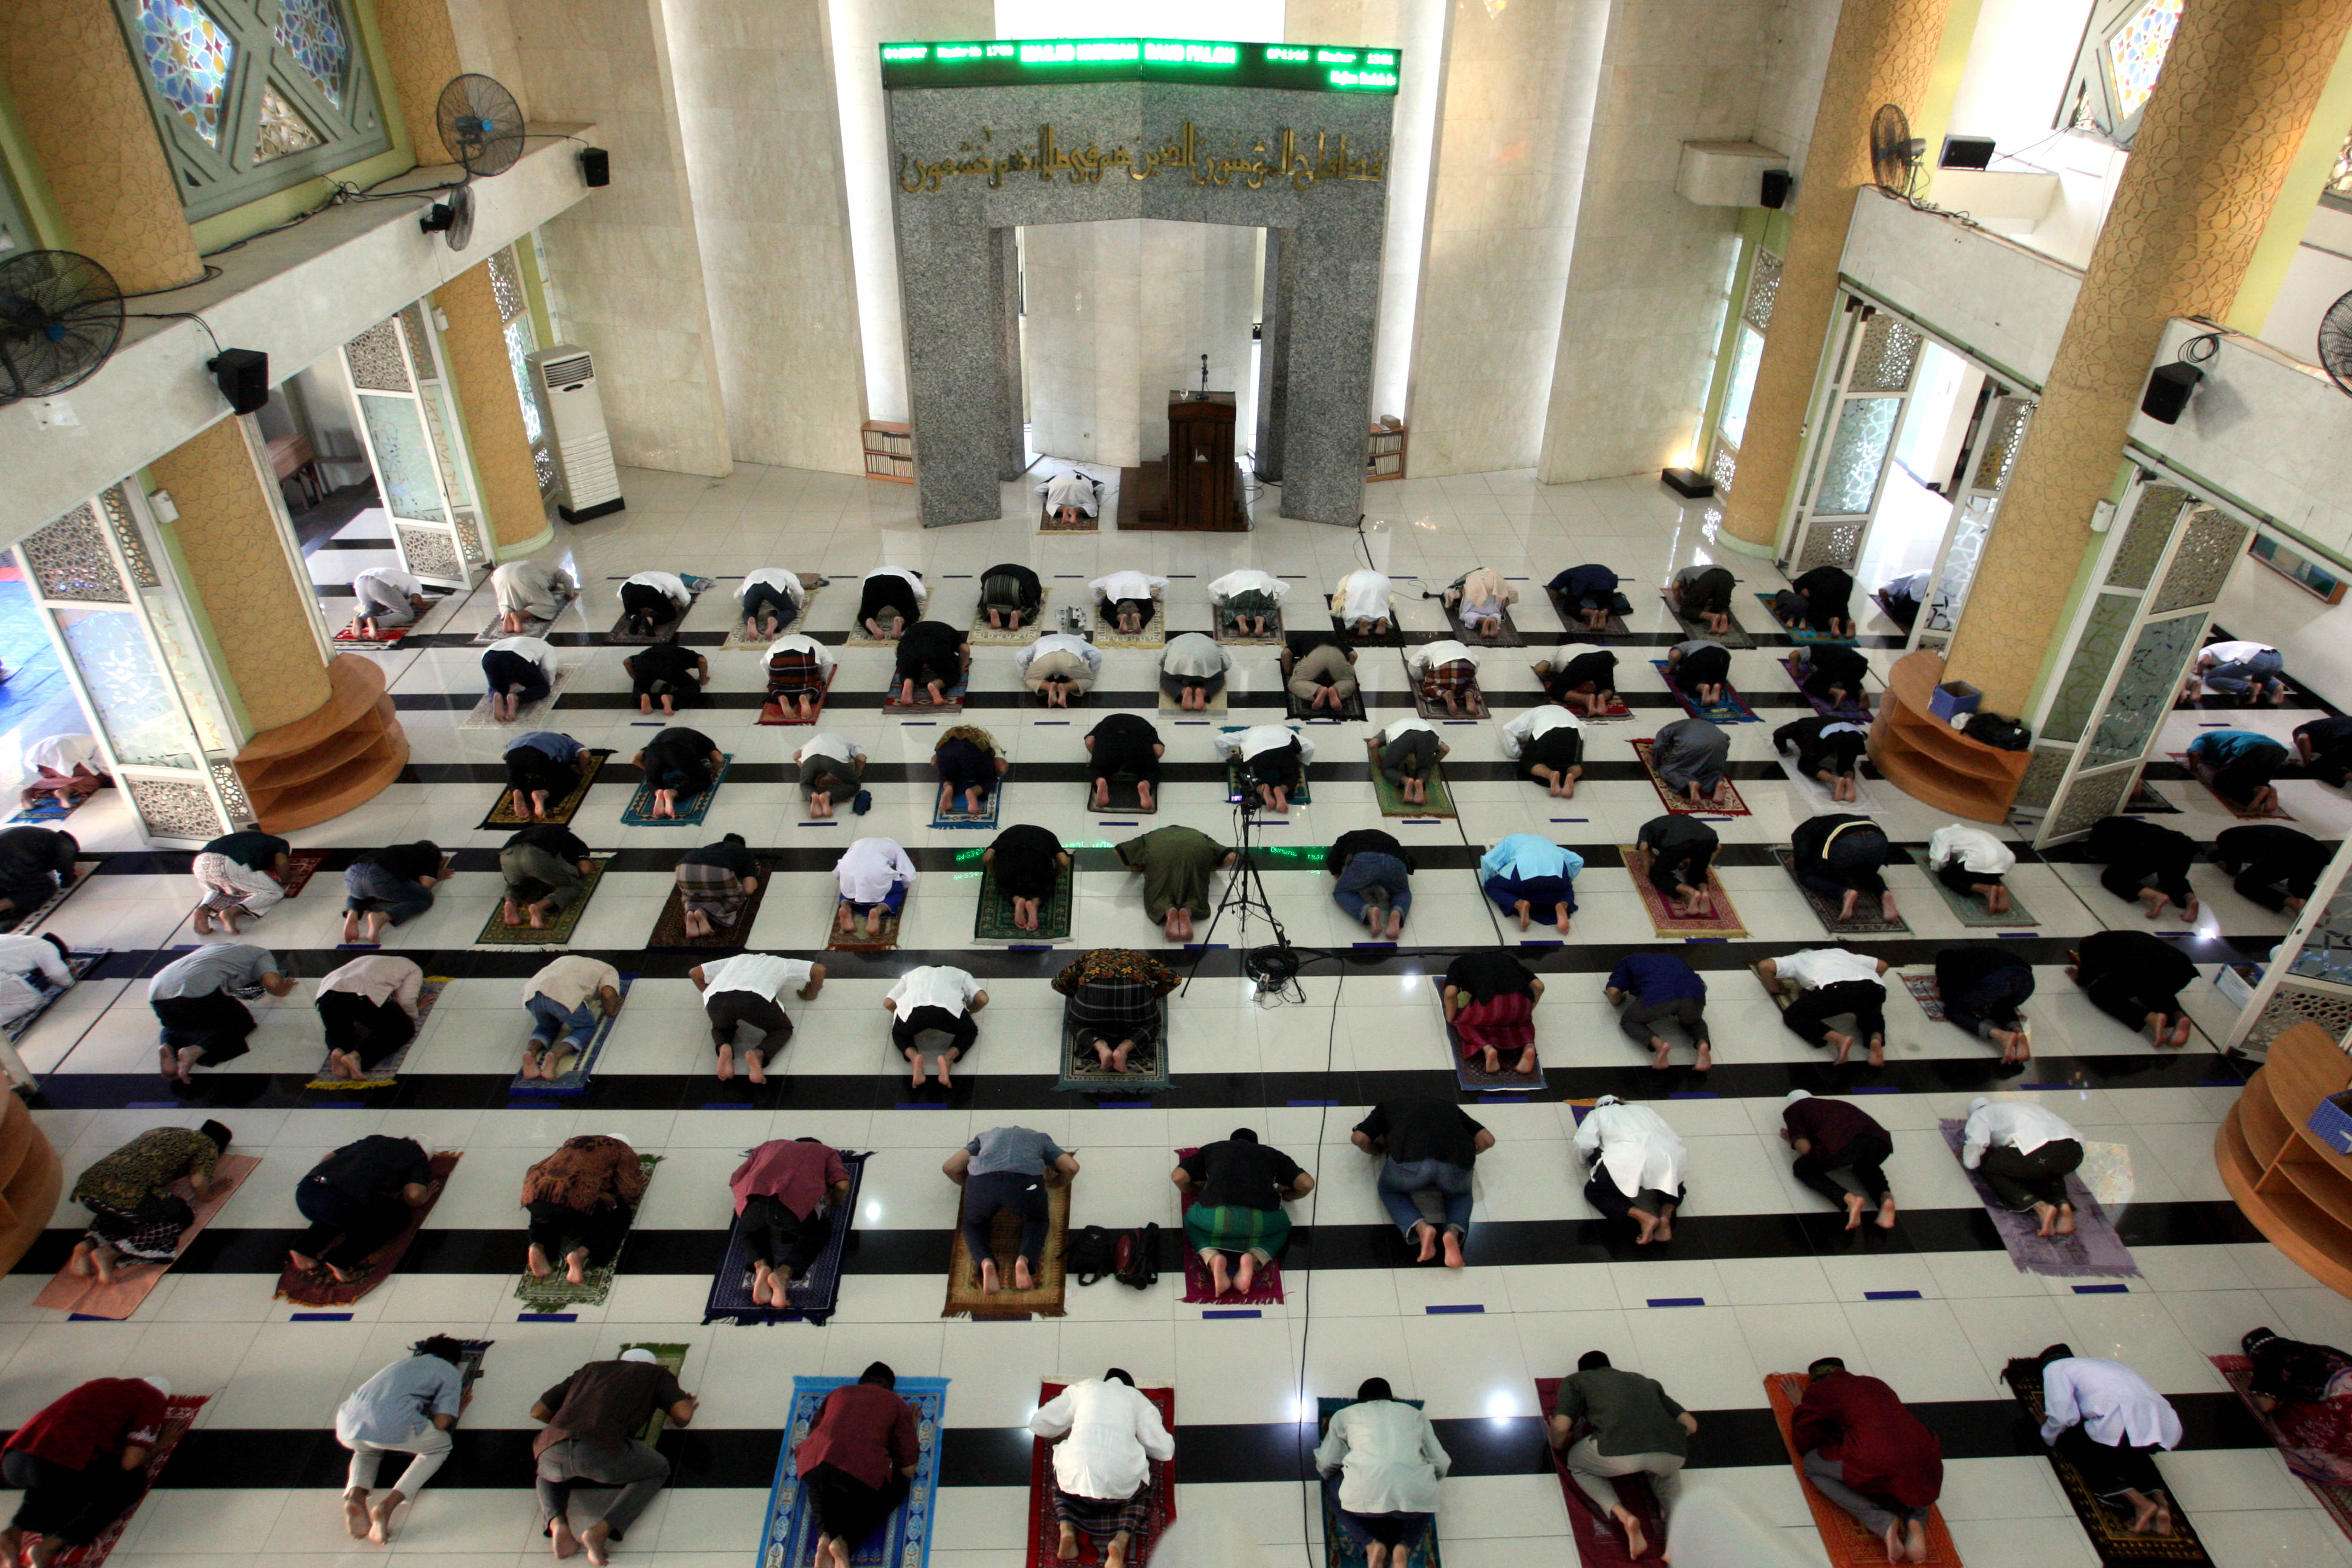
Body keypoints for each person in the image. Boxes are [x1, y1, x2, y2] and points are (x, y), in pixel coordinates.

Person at [531, 1347, 696, 1565]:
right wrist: (675, 1410)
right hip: (600, 1450)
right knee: (658, 1469)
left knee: (547, 1474)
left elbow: (538, 1412)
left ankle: (557, 1524)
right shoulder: (654, 1373)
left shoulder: (590, 1369)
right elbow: (683, 1415)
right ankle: (600, 1531)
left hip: (550, 1448)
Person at [0, 1374, 170, 1567]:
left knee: (50, 1479)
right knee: (131, 1482)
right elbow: (131, 1462)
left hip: (14, 1461)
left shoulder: (101, 1384)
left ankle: (13, 1532)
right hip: (51, 1468)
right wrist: (162, 1444)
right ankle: (50, 1546)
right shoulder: (152, 1399)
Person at [1789, 1358, 1941, 1563]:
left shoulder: (1821, 1391)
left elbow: (1805, 1439)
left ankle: (1883, 1523)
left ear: (1816, 1382)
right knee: (1912, 1475)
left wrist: (1800, 1405)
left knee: (1812, 1465)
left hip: (1876, 1460)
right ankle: (1916, 1519)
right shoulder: (1876, 1383)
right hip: (1927, 1456)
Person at [1547, 1350, 1694, 1558]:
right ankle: (1675, 1540)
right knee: (1667, 1473)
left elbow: (1561, 1428)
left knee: (1577, 1465)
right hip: (1673, 1454)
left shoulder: (1577, 1380)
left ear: (1583, 1370)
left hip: (1617, 1454)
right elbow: (1691, 1425)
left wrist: (1557, 1440)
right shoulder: (1647, 1382)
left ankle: (1625, 1516)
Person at [1030, 1370, 1175, 1568]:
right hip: (1121, 1489)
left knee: (1060, 1480)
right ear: (1131, 1388)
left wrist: (1067, 1435)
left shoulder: (1083, 1388)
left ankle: (1067, 1531)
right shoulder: (1139, 1400)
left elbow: (1040, 1424)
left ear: (1104, 1382)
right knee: (1145, 1488)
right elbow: (1164, 1451)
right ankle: (1120, 1542)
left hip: (1075, 1485)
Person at [2034, 1345, 2181, 1538]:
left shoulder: (2055, 1368)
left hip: (2121, 1426)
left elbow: (2062, 1416)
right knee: (2136, 1456)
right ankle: (2162, 1507)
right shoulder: (2106, 1363)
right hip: (2164, 1426)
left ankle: (2141, 1503)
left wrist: (2048, 1434)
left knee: (2072, 1443)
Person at [336, 1336, 471, 1544]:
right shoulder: (448, 1371)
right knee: (440, 1448)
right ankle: (387, 1507)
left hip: (348, 1424)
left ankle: (356, 1497)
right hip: (390, 1425)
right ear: (454, 1359)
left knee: (366, 1451)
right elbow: (442, 1422)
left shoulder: (398, 1364)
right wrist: (457, 1410)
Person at [67, 1120, 232, 1282]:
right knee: (181, 1215)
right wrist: (210, 1193)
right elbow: (198, 1182)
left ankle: (86, 1245)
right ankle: (109, 1253)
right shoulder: (208, 1145)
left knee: (118, 1209)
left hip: (88, 1188)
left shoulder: (166, 1131)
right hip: (124, 1194)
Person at [1315, 1377, 1451, 1568]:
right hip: (1412, 1505)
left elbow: (1327, 1461)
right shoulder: (1415, 1415)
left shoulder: (1345, 1415)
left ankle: (1371, 1544)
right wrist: (1427, 1480)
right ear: (1391, 1397)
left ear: (1361, 1400)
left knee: (1332, 1490)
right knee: (1427, 1494)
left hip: (1363, 1504)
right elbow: (1442, 1463)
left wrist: (1335, 1474)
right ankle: (1404, 1547)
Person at [795, 1363, 920, 1568]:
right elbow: (908, 1469)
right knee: (898, 1486)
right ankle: (844, 1544)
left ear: (861, 1382)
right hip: (856, 1479)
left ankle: (824, 1537)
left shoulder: (837, 1394)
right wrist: (910, 1431)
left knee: (822, 1479)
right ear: (889, 1387)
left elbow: (816, 1430)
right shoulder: (895, 1403)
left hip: (810, 1468)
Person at [1351, 1100, 1492, 1267]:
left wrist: (1377, 1150)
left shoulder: (1387, 1106)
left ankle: (1422, 1228)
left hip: (1411, 1164)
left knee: (1390, 1191)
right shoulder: (1447, 1106)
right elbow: (1487, 1140)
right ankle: (1453, 1233)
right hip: (1455, 1164)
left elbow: (1359, 1138)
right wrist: (1467, 1152)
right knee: (1460, 1196)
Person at [1174, 1129, 1313, 1297]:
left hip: (1214, 1219)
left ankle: (1212, 1257)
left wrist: (1196, 1190)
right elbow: (1307, 1184)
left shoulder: (1212, 1149)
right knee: (1283, 1229)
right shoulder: (1274, 1155)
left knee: (1190, 1222)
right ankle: (1253, 1259)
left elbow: (1178, 1177)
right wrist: (1289, 1195)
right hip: (1262, 1221)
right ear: (1257, 1144)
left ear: (1230, 1141)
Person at [944, 1126, 1077, 1293]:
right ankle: (1024, 1260)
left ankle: (986, 1262)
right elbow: (1072, 1168)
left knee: (974, 1224)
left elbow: (950, 1168)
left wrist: (972, 1187)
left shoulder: (984, 1137)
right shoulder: (1041, 1138)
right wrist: (1053, 1184)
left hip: (983, 1183)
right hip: (1024, 1185)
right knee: (1037, 1221)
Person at [291, 1134, 434, 1282]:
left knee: (343, 1208)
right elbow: (413, 1196)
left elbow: (328, 1158)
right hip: (337, 1204)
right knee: (397, 1215)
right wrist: (424, 1196)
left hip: (306, 1192)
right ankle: (340, 1260)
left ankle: (304, 1250)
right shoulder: (418, 1158)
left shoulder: (374, 1139)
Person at [148, 942, 293, 1081]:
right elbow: (272, 983)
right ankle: (195, 1051)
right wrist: (281, 989)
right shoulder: (262, 955)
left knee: (178, 1024)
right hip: (195, 989)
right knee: (241, 1022)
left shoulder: (216, 948)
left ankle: (167, 1045)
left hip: (158, 990)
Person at [731, 1136, 852, 1302]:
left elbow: (736, 1179)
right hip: (789, 1210)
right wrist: (835, 1201)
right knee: (819, 1232)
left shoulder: (767, 1146)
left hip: (754, 1203)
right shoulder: (826, 1152)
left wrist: (743, 1204)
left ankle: (761, 1267)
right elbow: (842, 1185)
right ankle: (783, 1274)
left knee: (748, 1231)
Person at [522, 1133, 647, 1285]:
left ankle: (538, 1245)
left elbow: (539, 1166)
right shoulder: (623, 1150)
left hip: (536, 1194)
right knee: (620, 1215)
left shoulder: (574, 1141)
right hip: (576, 1203)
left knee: (543, 1216)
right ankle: (580, 1255)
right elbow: (629, 1189)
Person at [1960, 1098, 2084, 1236]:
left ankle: (2041, 1207)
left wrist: (1972, 1158)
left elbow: (1972, 1157)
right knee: (2049, 1169)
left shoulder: (1979, 1115)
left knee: (1989, 1165)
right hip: (2074, 1152)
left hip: (2039, 1155)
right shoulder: (2025, 1105)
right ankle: (2064, 1207)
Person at [693, 951, 823, 1083]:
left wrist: (713, 998)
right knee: (782, 1029)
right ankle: (758, 1054)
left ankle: (724, 1047)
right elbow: (819, 970)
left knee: (721, 1029)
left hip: (716, 997)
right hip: (754, 998)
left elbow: (695, 973)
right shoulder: (781, 962)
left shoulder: (737, 959)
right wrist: (810, 994)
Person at [1575, 1097, 1687, 1244]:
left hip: (1631, 1158)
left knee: (1595, 1192)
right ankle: (1665, 1216)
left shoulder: (1598, 1114)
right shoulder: (1645, 1110)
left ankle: (1644, 1217)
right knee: (1673, 1187)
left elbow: (1584, 1143)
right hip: (1671, 1156)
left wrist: (1584, 1161)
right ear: (1622, 1101)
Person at [1779, 1091, 1895, 1230]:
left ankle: (1849, 1199)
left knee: (1802, 1168)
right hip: (1881, 1144)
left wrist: (1794, 1140)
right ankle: (1885, 1198)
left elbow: (1805, 1149)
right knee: (1864, 1167)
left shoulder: (1794, 1110)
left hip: (1845, 1146)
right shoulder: (1835, 1104)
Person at [1757, 947, 1890, 1065]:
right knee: (1871, 1013)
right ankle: (1875, 1041)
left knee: (1794, 1015)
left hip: (1837, 989)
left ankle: (1839, 1040)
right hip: (1875, 988)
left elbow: (1764, 966)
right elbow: (1883, 965)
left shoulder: (1798, 958)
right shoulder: (1840, 952)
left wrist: (1776, 989)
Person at [1053, 948, 1178, 1072]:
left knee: (1075, 1023)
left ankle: (1101, 1047)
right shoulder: (1139, 957)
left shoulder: (1089, 956)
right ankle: (1124, 1049)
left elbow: (1058, 982)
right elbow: (1173, 978)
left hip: (1092, 994)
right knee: (1152, 1024)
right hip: (1135, 994)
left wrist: (1077, 996)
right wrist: (1152, 995)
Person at [2069, 928, 2199, 1048]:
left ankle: (2151, 1018)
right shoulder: (2120, 936)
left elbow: (2087, 978)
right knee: (2154, 991)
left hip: (2148, 971)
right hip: (2183, 970)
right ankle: (2179, 1017)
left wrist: (2078, 976)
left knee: (2099, 992)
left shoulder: (2093, 945)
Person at [315, 953, 426, 1079]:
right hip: (360, 995)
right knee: (402, 1028)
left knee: (339, 1029)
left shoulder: (366, 959)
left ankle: (338, 1050)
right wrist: (412, 1012)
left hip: (326, 996)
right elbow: (405, 1000)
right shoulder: (414, 968)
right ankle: (356, 1057)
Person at [1115, 826, 1235, 941]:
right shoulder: (1201, 836)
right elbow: (1231, 856)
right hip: (1196, 852)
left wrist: (1134, 867)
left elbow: (1119, 851)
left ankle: (1168, 910)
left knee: (1159, 891)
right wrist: (1213, 867)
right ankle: (1188, 910)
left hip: (1159, 856)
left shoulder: (1150, 837)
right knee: (1195, 890)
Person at [520, 954, 624, 1082]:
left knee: (547, 1026)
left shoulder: (566, 959)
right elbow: (608, 995)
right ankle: (555, 1056)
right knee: (586, 1026)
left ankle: (530, 1052)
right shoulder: (609, 970)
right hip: (561, 995)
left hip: (532, 992)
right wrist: (612, 1011)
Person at [1604, 951, 1711, 1072]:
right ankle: (1703, 1044)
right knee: (1694, 1021)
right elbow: (1704, 987)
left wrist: (1619, 1000)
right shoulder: (1674, 958)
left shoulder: (1626, 962)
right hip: (1693, 994)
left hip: (1659, 996)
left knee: (1629, 1021)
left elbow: (1613, 992)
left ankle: (1659, 1045)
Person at [1443, 949, 1543, 1077]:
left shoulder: (1457, 964)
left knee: (1464, 1023)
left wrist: (1451, 1017)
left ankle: (1487, 1048)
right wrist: (1529, 1010)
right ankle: (1529, 1046)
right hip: (1522, 1001)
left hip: (1491, 1005)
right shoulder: (1508, 959)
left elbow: (1450, 993)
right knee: (1524, 1023)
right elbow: (1539, 986)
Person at [883, 964, 987, 1086]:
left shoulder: (911, 974)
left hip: (913, 1011)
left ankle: (914, 1058)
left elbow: (888, 1003)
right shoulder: (960, 973)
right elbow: (983, 999)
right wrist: (970, 1011)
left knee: (899, 1033)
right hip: (947, 1011)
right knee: (969, 1032)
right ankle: (948, 1058)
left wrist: (902, 1015)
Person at [2083, 814, 2200, 921]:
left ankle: (2155, 897)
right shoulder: (2121, 824)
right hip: (2184, 845)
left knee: (2111, 878)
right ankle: (2190, 898)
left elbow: (2097, 855)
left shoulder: (2101, 835)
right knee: (2172, 880)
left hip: (2151, 849)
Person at [1791, 812, 1896, 924]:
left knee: (1806, 874)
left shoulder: (1801, 832)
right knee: (1865, 874)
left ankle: (1844, 893)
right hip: (1878, 839)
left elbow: (1802, 855)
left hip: (1847, 842)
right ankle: (1884, 892)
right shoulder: (1826, 822)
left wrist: (1798, 863)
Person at [187, 828, 291, 935]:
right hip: (228, 863)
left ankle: (204, 908)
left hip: (200, 863)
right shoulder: (280, 843)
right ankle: (232, 912)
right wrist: (285, 880)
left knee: (216, 890)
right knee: (274, 892)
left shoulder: (244, 838)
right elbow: (281, 863)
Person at [341, 840, 446, 942]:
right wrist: (436, 876)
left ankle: (353, 912)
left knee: (363, 893)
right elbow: (426, 886)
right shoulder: (431, 856)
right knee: (425, 898)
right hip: (378, 877)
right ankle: (381, 917)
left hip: (352, 875)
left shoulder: (400, 850)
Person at [500, 822, 595, 931]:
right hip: (535, 855)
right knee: (572, 885)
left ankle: (510, 901)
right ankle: (539, 907)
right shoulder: (566, 836)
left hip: (507, 857)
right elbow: (585, 867)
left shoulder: (520, 835)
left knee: (517, 883)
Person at [1478, 834, 1581, 933]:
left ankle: (1519, 904)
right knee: (1567, 890)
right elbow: (1578, 861)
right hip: (1557, 876)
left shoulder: (1507, 841)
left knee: (1491, 886)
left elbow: (1487, 860)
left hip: (1525, 875)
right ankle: (1563, 904)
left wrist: (1489, 880)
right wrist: (1567, 879)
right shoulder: (1546, 841)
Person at [2213, 823, 2325, 913]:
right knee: (2298, 885)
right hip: (2319, 853)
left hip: (2288, 852)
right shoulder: (2239, 834)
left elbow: (2233, 870)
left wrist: (2228, 868)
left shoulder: (2226, 840)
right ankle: (2325, 902)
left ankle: (2292, 902)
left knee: (2243, 883)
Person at [2240, 1326, 2352, 1413]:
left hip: (2343, 1394)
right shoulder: (2318, 1349)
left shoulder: (2267, 1358)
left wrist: (2247, 1388)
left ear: (2256, 1353)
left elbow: (2267, 1406)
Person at [668, 833, 757, 940]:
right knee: (736, 896)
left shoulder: (708, 848)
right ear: (743, 845)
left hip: (683, 869)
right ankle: (704, 912)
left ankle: (691, 913)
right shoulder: (745, 852)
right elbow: (749, 889)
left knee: (691, 894)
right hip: (719, 871)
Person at [1329, 827, 1413, 939]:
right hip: (1395, 859)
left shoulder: (1345, 838)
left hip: (1364, 859)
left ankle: (1368, 911)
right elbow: (1411, 863)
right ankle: (1397, 912)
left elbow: (1332, 861)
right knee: (1402, 893)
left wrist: (1341, 877)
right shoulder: (1392, 840)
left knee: (1341, 892)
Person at [987, 824, 1070, 934]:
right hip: (1038, 865)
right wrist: (1055, 874)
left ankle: (1017, 900)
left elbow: (987, 857)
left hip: (1011, 865)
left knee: (1004, 886)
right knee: (1047, 886)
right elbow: (1064, 862)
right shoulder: (1049, 836)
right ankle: (1035, 903)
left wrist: (996, 871)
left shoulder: (1008, 834)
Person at [1634, 814, 1719, 918]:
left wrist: (1647, 871)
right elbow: (1718, 847)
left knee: (1658, 875)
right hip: (1709, 839)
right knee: (1698, 872)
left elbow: (1644, 848)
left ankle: (1692, 893)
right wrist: (1702, 863)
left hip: (1679, 844)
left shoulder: (1645, 829)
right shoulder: (1678, 819)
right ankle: (1704, 893)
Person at [2186, 728, 2290, 814]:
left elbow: (2194, 754)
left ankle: (2260, 790)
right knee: (2252, 779)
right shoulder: (2223, 736)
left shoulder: (2203, 738)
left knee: (2221, 780)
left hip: (2253, 749)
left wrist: (2193, 769)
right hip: (2279, 752)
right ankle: (2268, 790)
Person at [1218, 724, 1313, 814]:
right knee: (1293, 775)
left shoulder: (1246, 733)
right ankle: (1282, 789)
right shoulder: (1284, 730)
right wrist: (1300, 762)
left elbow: (1219, 740)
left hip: (1257, 758)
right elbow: (1310, 747)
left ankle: (1261, 788)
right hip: (1284, 754)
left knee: (1245, 774)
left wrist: (1229, 758)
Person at [632, 726, 723, 818]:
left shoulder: (652, 743)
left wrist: (651, 770)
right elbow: (719, 759)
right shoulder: (706, 742)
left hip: (654, 752)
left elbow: (635, 759)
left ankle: (658, 791)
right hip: (678, 752)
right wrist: (714, 769)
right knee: (704, 780)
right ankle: (673, 793)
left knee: (652, 781)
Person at [1925, 822, 2017, 914]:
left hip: (1984, 860)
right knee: (1982, 872)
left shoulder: (1940, 834)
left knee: (1946, 875)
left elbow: (1938, 859)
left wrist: (1936, 867)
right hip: (2008, 861)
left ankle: (1987, 890)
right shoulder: (1967, 831)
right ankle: (1997, 891)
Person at [835, 837, 916, 937]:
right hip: (876, 875)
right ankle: (877, 911)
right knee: (898, 893)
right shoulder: (895, 846)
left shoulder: (856, 844)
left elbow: (838, 874)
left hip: (850, 877)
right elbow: (909, 875)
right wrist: (900, 885)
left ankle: (845, 907)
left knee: (847, 889)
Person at [1499, 703, 1584, 797]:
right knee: (1575, 763)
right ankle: (1571, 776)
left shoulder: (1529, 714)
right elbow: (1584, 729)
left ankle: (1551, 775)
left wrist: (1516, 753)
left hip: (1546, 731)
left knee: (1529, 762)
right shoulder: (1565, 712)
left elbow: (1507, 729)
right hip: (1574, 731)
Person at [1649, 716, 1734, 809]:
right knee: (1711, 770)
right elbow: (1727, 740)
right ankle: (1718, 782)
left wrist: (1656, 763)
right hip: (1720, 743)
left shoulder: (1669, 728)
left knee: (1668, 770)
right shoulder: (1708, 725)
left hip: (1691, 746)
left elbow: (1658, 746)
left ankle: (1690, 782)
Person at [504, 730, 589, 821]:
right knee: (569, 778)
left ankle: (516, 790)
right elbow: (585, 755)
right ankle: (542, 794)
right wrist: (581, 770)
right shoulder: (570, 742)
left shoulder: (531, 734)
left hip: (513, 754)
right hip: (538, 755)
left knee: (514, 778)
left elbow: (504, 756)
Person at [1086, 713, 1163, 810]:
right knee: (1152, 772)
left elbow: (1089, 741)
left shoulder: (1104, 723)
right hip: (1136, 745)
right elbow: (1159, 750)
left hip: (1110, 744)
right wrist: (1151, 761)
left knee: (1097, 769)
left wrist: (1097, 757)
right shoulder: (1146, 726)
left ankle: (1100, 780)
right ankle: (1146, 785)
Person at [0, 826, 77, 921]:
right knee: (45, 889)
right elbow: (67, 872)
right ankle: (3, 905)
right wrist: (69, 879)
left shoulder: (39, 834)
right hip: (9, 864)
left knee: (13, 886)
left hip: (10, 862)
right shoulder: (61, 843)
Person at [481, 633, 558, 722]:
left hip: (489, 656)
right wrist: (550, 681)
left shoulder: (521, 640)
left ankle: (497, 694)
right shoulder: (548, 647)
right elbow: (550, 667)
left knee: (497, 686)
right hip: (516, 658)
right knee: (542, 688)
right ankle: (517, 698)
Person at [17, 734, 106, 811]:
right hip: (64, 749)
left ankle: (29, 792)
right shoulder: (103, 746)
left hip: (37, 753)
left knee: (55, 779)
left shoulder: (92, 739)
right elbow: (101, 764)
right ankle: (65, 791)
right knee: (94, 779)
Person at [1373, 715, 1449, 806]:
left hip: (1403, 738)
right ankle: (1420, 781)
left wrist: (1379, 763)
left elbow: (1372, 744)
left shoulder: (1389, 728)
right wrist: (1430, 764)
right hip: (1429, 736)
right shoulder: (1426, 726)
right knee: (1424, 768)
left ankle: (1406, 781)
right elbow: (1445, 749)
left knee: (1388, 769)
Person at [932, 725, 1007, 817]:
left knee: (946, 775)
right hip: (972, 751)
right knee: (989, 779)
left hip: (945, 750)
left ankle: (948, 786)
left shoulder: (950, 733)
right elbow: (1001, 766)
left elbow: (934, 762)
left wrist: (945, 769)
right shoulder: (987, 737)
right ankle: (973, 792)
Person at [893, 619, 969, 706]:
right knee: (952, 674)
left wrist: (906, 664)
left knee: (908, 669)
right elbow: (965, 650)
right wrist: (960, 670)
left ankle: (908, 681)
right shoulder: (955, 635)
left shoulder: (912, 629)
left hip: (908, 647)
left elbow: (897, 650)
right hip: (935, 649)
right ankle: (935, 685)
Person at [1017, 630, 1102, 707]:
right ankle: (1066, 687)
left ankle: (1048, 686)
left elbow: (1021, 656)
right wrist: (1092, 673)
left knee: (1029, 679)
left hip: (1045, 659)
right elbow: (1097, 654)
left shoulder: (1041, 640)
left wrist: (1025, 675)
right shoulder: (1077, 639)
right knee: (1089, 680)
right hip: (1070, 659)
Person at [2188, 638, 2286, 704]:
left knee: (2210, 678)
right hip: (2277, 659)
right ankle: (2276, 687)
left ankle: (2250, 687)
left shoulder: (2206, 649)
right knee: (2261, 678)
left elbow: (2203, 661)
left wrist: (2198, 670)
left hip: (2255, 658)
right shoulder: (2224, 647)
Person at [765, 632, 838, 721]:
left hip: (781, 672)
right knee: (813, 684)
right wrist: (822, 679)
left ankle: (781, 697)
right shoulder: (812, 641)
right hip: (804, 670)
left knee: (775, 686)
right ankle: (806, 697)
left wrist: (772, 680)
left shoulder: (777, 644)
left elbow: (763, 663)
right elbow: (829, 662)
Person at [622, 642, 708, 716]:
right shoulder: (686, 653)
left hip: (643, 663)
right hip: (667, 665)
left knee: (639, 688)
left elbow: (627, 662)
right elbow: (702, 661)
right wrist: (702, 679)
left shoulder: (646, 652)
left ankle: (643, 695)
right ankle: (671, 698)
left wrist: (637, 679)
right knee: (693, 687)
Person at [1284, 631, 1360, 713]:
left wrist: (1290, 672)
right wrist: (1348, 672)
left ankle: (1318, 691)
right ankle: (1336, 691)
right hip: (1337, 654)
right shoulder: (1336, 639)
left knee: (1294, 683)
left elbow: (1285, 654)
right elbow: (1354, 655)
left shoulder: (1301, 638)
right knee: (1350, 681)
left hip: (1315, 656)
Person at [492, 558, 574, 632]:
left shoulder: (541, 566)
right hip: (524, 574)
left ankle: (507, 613)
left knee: (506, 601)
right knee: (548, 606)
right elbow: (568, 579)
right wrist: (569, 595)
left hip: (500, 574)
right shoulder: (557, 570)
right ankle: (519, 615)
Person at [1773, 564, 1856, 638]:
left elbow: (1807, 595)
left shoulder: (1799, 585)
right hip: (1846, 581)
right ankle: (1848, 622)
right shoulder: (1810, 576)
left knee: (1814, 611)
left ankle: (1831, 620)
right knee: (1841, 607)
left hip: (1827, 585)